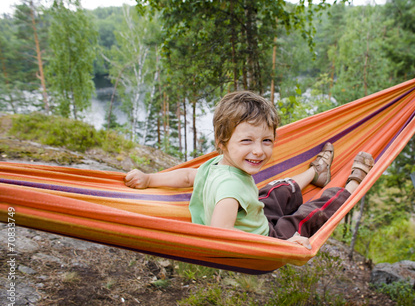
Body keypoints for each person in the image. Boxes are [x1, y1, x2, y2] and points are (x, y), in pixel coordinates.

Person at [124, 91, 374, 249]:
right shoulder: (231, 190)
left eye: (266, 140)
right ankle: (350, 187)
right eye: (247, 141)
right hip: (268, 236)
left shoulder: (216, 164)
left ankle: (315, 173)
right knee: (310, 213)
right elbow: (220, 234)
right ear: (223, 142)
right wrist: (284, 243)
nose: (259, 151)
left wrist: (149, 179)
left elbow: (189, 175)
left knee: (278, 188)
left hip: (254, 212)